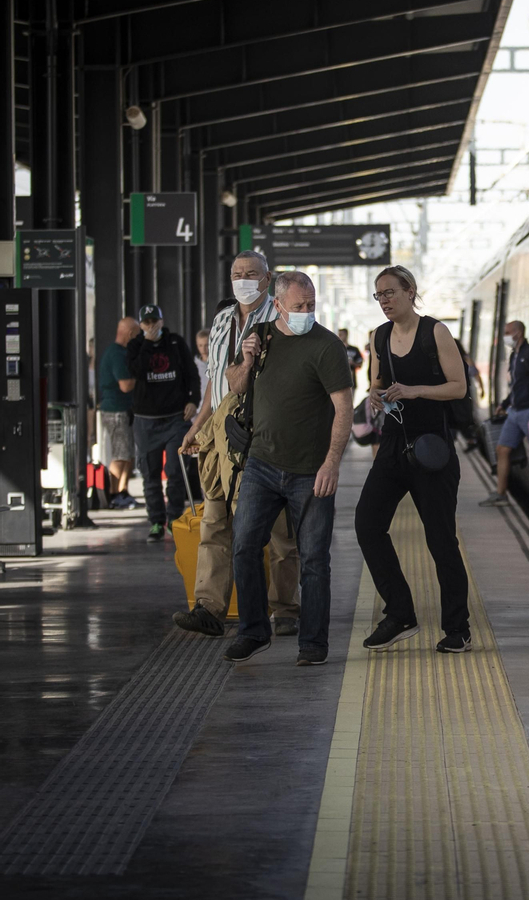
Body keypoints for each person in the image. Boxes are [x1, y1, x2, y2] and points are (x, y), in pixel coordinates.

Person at [224, 271, 353, 666]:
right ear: (277, 304)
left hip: (310, 472)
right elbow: (235, 386)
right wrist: (246, 360)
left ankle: (312, 644)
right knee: (245, 546)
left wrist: (331, 463)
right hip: (262, 464)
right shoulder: (259, 336)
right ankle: (253, 630)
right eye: (298, 306)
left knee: (313, 559)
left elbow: (344, 408)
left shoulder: (327, 346)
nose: (306, 312)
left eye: (311, 304)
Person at [173, 250, 302, 639]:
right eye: (237, 273)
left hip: (265, 433)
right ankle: (209, 607)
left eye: (251, 273)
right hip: (219, 434)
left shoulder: (282, 319)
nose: (243, 279)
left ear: (267, 279)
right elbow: (214, 379)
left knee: (277, 528)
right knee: (215, 521)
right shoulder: (222, 320)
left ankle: (285, 608)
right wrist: (198, 426)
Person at [355, 266, 472, 654]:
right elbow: (376, 381)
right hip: (392, 445)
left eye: (390, 292)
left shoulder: (435, 332)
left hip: (431, 449)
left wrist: (414, 390)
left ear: (410, 292)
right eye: (379, 296)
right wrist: (375, 395)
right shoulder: (380, 337)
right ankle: (400, 613)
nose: (385, 301)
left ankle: (458, 629)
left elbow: (459, 386)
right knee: (367, 524)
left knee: (440, 540)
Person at [128, 305, 201, 542]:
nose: (151, 326)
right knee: (150, 473)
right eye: (146, 323)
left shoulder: (176, 343)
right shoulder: (136, 346)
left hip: (175, 419)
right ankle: (156, 522)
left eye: (154, 322)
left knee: (175, 470)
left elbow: (192, 374)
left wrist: (193, 400)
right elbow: (136, 372)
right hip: (146, 421)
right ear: (141, 325)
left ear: (162, 321)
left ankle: (174, 519)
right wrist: (148, 344)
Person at [478, 320, 529, 508]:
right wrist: (505, 403)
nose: (505, 336)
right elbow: (516, 385)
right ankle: (501, 494)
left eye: (507, 332)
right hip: (515, 412)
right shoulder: (514, 356)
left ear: (518, 333)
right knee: (502, 450)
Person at [96, 317, 139, 510]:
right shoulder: (117, 354)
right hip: (116, 411)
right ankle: (114, 494)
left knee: (128, 454)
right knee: (120, 453)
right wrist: (143, 375)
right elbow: (125, 385)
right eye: (137, 335)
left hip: (122, 410)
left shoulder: (119, 352)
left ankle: (122, 491)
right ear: (130, 334)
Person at [194, 328, 211, 406]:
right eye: (200, 345)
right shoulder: (194, 366)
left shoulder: (218, 364)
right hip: (198, 408)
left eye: (206, 345)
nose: (203, 349)